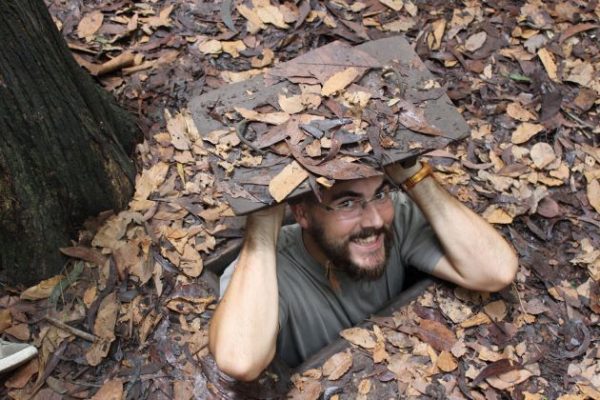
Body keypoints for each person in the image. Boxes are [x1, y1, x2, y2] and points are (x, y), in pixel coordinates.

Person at [208, 159, 518, 381]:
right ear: (301, 212)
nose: (374, 220)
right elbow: (239, 360)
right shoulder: (262, 273)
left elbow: (496, 271)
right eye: (347, 204)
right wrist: (263, 222)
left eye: (380, 194)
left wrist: (414, 175)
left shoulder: (397, 219)